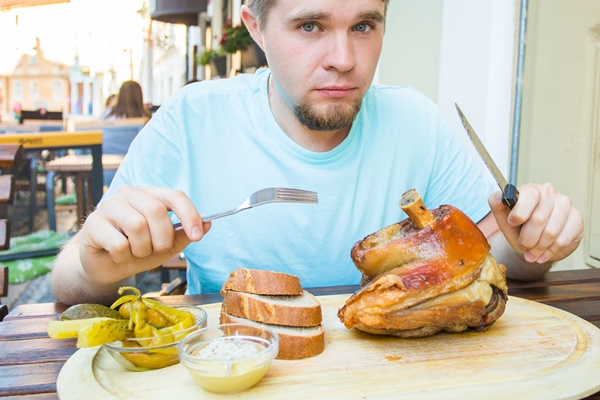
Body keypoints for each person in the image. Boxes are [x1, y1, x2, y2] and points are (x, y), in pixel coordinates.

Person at [51, 0, 584, 305]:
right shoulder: (192, 120)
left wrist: (531, 242)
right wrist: (96, 268)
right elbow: (70, 283)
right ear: (255, 26)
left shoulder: (418, 123)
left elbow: (497, 265)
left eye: (364, 26)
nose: (344, 59)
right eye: (310, 26)